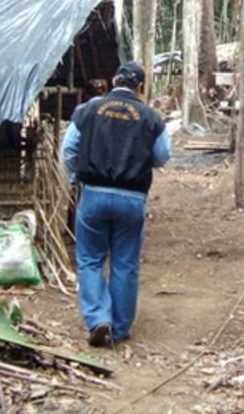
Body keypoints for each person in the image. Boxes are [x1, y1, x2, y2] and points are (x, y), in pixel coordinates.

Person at [61, 61, 171, 347]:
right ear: (141, 87)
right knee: (125, 262)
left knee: (89, 259)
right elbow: (162, 156)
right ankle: (120, 329)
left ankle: (99, 319)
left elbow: (69, 149)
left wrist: (76, 178)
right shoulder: (151, 117)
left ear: (113, 81)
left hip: (94, 193)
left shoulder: (87, 111)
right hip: (132, 198)